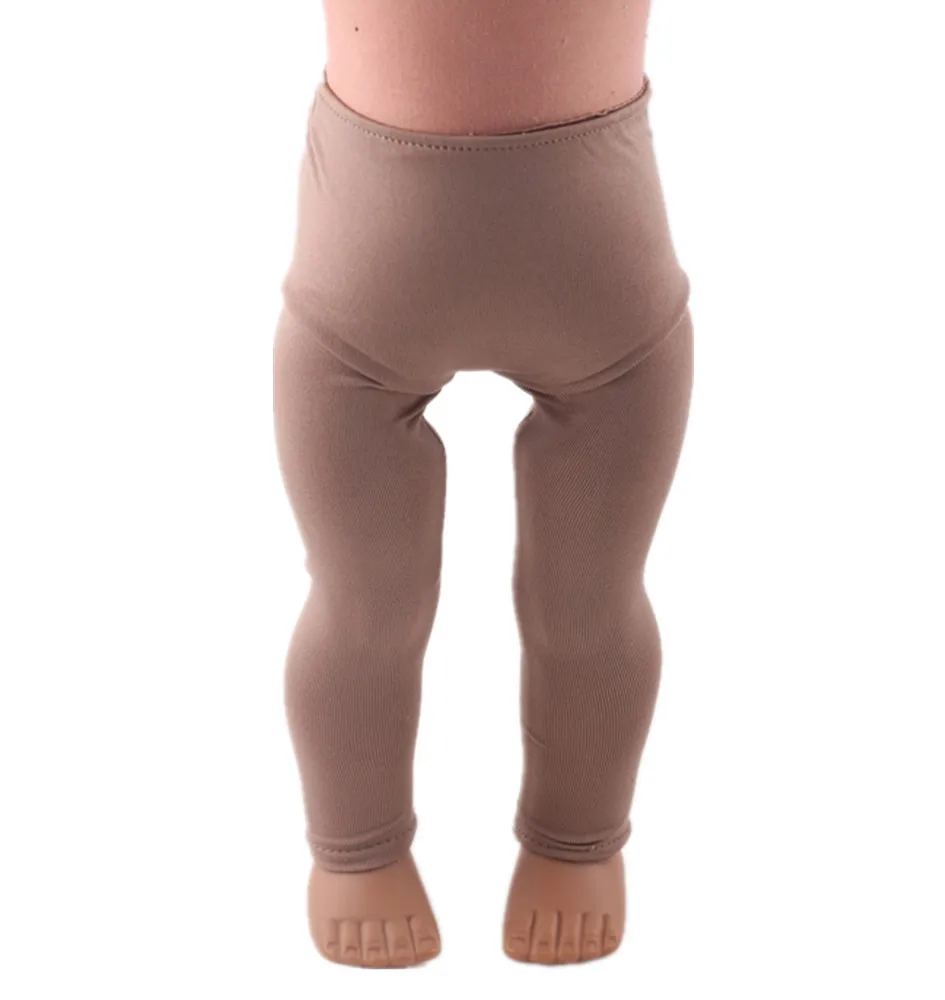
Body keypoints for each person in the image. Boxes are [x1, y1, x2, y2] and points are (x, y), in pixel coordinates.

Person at [272, 0, 693, 967]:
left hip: (449, 259)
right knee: (372, 607)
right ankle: (364, 850)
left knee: (576, 604)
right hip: (446, 273)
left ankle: (574, 844)